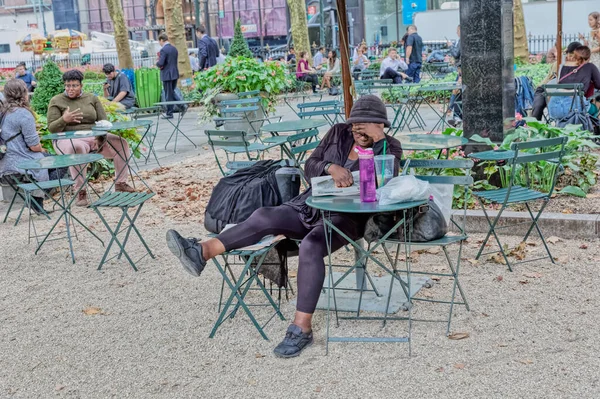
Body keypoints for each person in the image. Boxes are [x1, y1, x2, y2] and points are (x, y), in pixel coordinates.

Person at [165, 95, 403, 358]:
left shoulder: (390, 147)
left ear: (380, 126)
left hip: (348, 217)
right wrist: (330, 166)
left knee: (311, 246)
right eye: (355, 127)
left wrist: (378, 142)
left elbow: (388, 179)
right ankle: (201, 252)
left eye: (365, 128)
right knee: (266, 215)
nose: (358, 133)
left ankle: (301, 328)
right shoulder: (338, 133)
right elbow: (310, 166)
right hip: (310, 205)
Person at [47, 70, 135, 206]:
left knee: (121, 143)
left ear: (81, 85)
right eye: (67, 85)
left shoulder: (91, 99)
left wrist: (100, 137)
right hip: (66, 139)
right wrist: (64, 119)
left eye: (74, 85)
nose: (70, 89)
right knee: (77, 147)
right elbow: (52, 128)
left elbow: (103, 121)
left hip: (93, 136)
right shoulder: (56, 100)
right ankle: (80, 191)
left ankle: (121, 183)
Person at [0, 79, 47, 213]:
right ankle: (35, 200)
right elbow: (34, 146)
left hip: (3, 161)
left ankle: (35, 201)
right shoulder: (23, 114)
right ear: (24, 93)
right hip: (18, 162)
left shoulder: (2, 112)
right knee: (54, 163)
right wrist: (42, 148)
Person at [547, 45, 600, 121]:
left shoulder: (563, 66)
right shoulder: (590, 66)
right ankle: (590, 126)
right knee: (596, 106)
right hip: (575, 109)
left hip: (553, 109)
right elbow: (598, 85)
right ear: (588, 57)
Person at [531, 41, 581, 121]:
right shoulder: (560, 62)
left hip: (565, 92)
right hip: (545, 87)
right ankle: (533, 127)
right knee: (538, 107)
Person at [156, 33, 179, 119]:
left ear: (162, 40)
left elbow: (161, 63)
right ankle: (182, 106)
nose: (160, 43)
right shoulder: (174, 49)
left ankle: (169, 113)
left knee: (168, 94)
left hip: (167, 74)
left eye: (159, 42)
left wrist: (157, 63)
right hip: (175, 73)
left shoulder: (163, 50)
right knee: (172, 92)